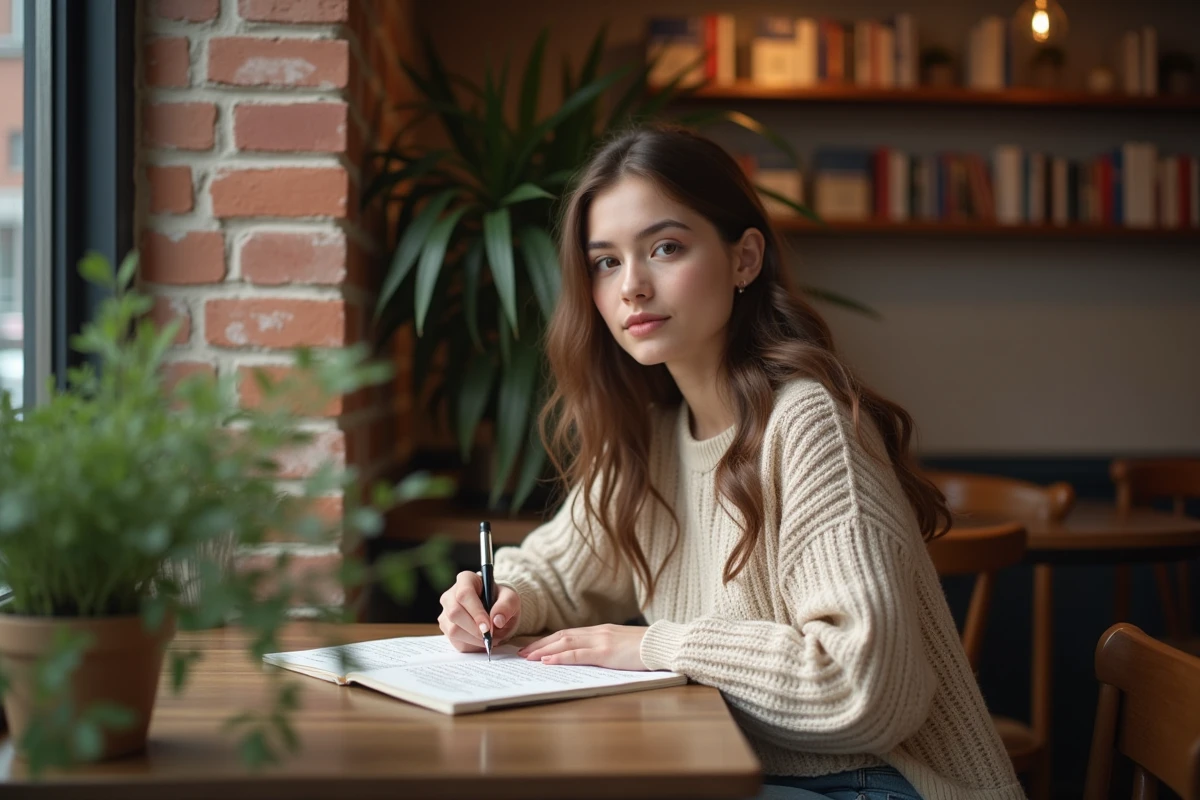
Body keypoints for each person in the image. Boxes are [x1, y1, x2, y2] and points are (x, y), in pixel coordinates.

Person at [437, 124, 1024, 800]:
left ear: (745, 259)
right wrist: (500, 599)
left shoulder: (807, 423)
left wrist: (653, 647)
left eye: (665, 248)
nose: (631, 287)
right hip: (747, 773)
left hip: (882, 783)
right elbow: (556, 571)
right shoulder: (655, 435)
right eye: (605, 261)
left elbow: (866, 689)